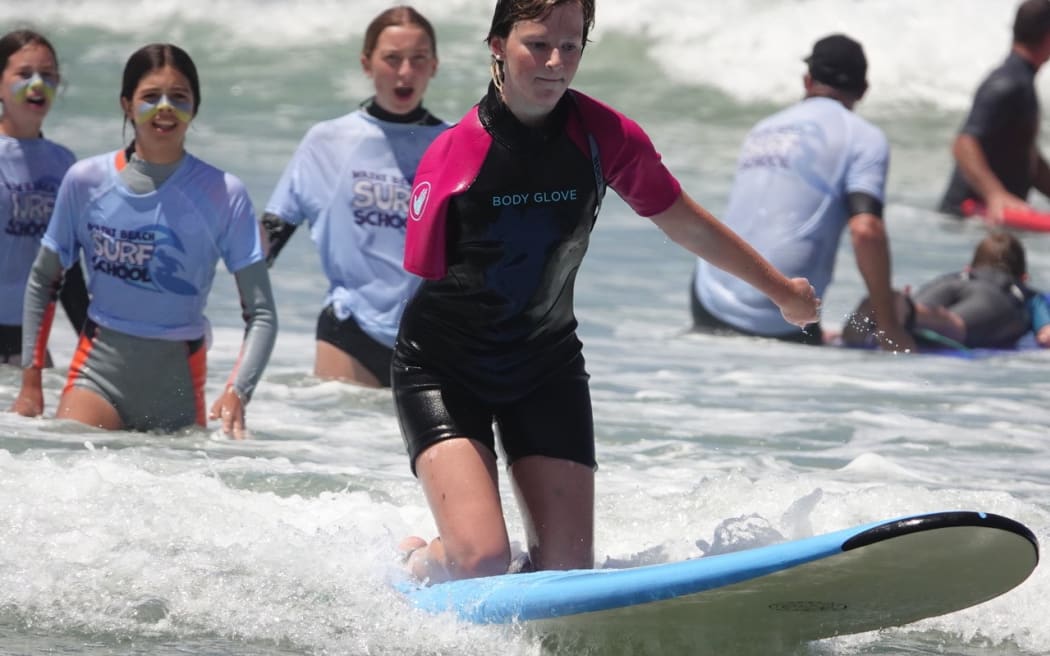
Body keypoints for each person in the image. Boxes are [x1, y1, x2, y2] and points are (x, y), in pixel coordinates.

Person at [394, 0, 819, 584]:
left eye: (571, 46)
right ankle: (422, 556)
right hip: (444, 371)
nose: (555, 62)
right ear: (497, 44)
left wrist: (781, 290)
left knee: (567, 571)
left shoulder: (604, 136)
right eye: (537, 43)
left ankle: (487, 552)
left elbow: (684, 222)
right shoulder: (452, 158)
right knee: (480, 561)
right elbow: (421, 275)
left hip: (544, 364)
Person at [10, 43, 277, 438]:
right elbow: (44, 280)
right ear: (126, 104)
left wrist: (239, 390)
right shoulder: (86, 181)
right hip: (97, 375)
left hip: (178, 388)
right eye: (151, 97)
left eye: (179, 97)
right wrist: (31, 383)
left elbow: (262, 313)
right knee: (72, 485)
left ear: (195, 108)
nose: (164, 108)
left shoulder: (223, 192)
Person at [691, 33, 914, 353]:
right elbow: (866, 231)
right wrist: (889, 327)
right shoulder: (864, 138)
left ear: (807, 81)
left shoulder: (763, 129)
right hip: (780, 317)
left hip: (709, 296)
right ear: (863, 90)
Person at [262, 6, 448, 388]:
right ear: (367, 63)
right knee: (345, 444)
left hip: (432, 339)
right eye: (392, 59)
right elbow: (270, 238)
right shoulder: (327, 141)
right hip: (349, 332)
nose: (405, 72)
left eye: (418, 60)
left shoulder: (452, 146)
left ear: (434, 65)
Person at [0, 29, 88, 366]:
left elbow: (68, 270)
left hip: (31, 348)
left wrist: (91, 348)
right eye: (24, 74)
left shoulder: (63, 163)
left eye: (48, 75)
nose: (38, 85)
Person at [843, 231, 1050, 350]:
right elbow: (1045, 336)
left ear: (969, 267)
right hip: (994, 299)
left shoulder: (962, 276)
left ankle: (902, 307)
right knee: (954, 323)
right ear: (1024, 277)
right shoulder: (1028, 295)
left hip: (948, 283)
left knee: (917, 307)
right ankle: (911, 312)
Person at [940, 0, 1050, 222]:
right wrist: (995, 195)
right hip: (965, 221)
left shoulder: (1021, 81)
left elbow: (1028, 156)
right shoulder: (1007, 82)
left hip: (986, 224)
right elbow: (964, 144)